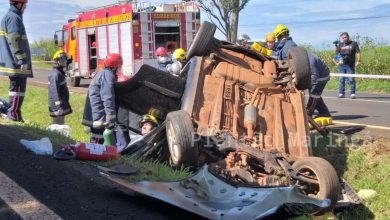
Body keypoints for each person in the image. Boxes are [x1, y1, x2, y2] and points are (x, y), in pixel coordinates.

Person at [0, 0, 33, 122]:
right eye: (25, 5)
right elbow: (14, 40)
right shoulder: (14, 18)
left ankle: (15, 113)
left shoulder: (10, 17)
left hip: (13, 62)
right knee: (17, 90)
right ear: (18, 4)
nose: (25, 8)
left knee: (16, 90)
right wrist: (22, 60)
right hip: (16, 63)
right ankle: (13, 115)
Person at [82, 53, 123, 144]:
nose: (119, 69)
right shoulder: (108, 75)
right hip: (99, 116)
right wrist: (110, 119)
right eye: (119, 67)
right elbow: (108, 98)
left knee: (96, 141)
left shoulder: (102, 73)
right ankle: (94, 156)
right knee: (98, 143)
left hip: (96, 114)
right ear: (115, 66)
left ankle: (94, 155)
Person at [48, 50, 72, 125]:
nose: (64, 61)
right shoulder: (55, 74)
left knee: (60, 123)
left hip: (61, 104)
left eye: (65, 58)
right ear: (56, 60)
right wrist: (58, 106)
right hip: (57, 106)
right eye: (61, 59)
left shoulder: (59, 72)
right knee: (58, 125)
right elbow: (54, 91)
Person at [336, 32, 361, 99]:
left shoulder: (354, 43)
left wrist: (358, 61)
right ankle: (341, 93)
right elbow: (336, 54)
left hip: (350, 65)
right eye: (343, 38)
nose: (344, 39)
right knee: (341, 79)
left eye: (345, 37)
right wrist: (338, 60)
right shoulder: (340, 45)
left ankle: (352, 93)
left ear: (348, 37)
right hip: (342, 65)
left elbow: (358, 52)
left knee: (351, 79)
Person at [306, 53, 331, 118]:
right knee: (315, 95)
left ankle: (308, 114)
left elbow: (314, 76)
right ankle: (324, 112)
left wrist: (305, 85)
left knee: (314, 95)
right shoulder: (301, 58)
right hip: (313, 76)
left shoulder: (311, 60)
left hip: (321, 77)